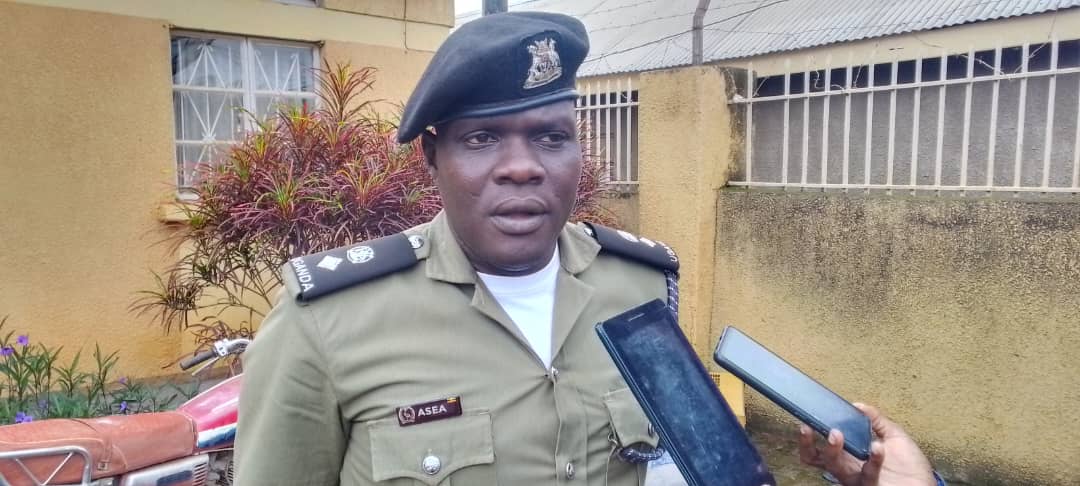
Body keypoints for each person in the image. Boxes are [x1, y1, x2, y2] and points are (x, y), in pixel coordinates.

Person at [235, 11, 943, 486]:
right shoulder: (326, 323)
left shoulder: (636, 287)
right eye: (482, 139)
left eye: (551, 137)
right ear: (432, 157)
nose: (522, 168)